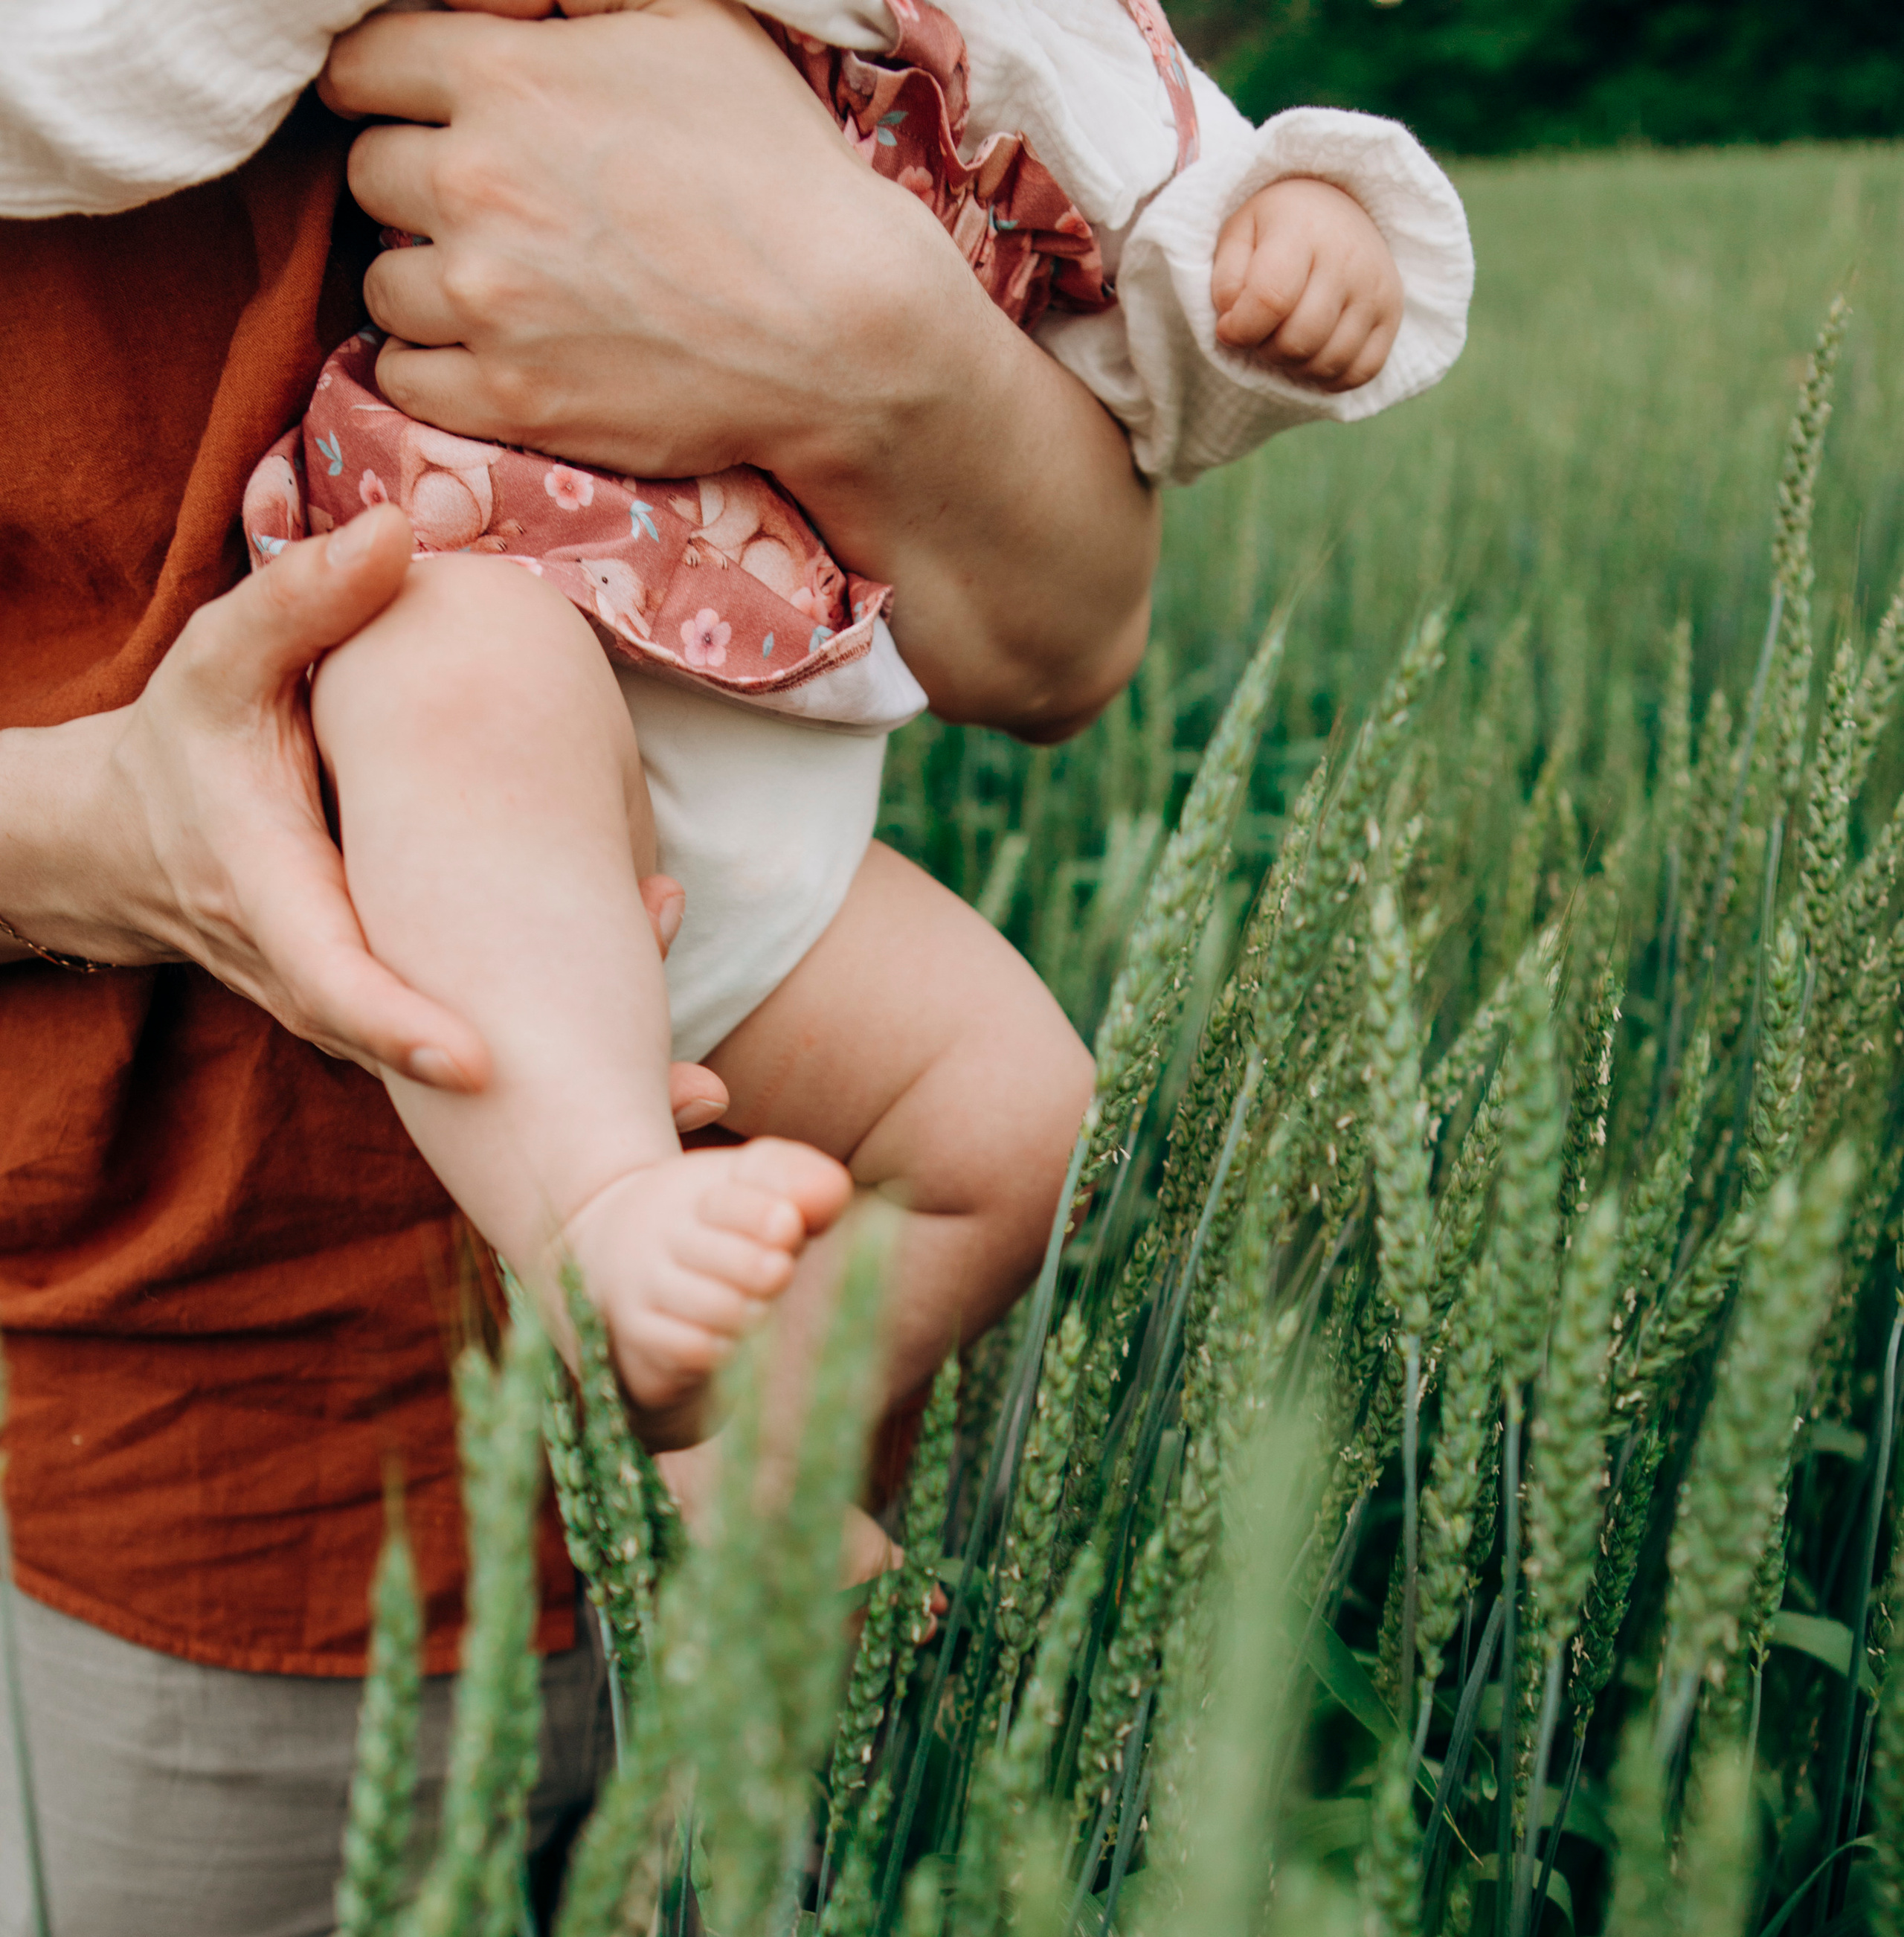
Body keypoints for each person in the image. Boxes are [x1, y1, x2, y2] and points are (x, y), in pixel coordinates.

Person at [0, 0, 1465, 1937]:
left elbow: (1087, 555)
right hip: (206, 1399)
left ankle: (761, 1471)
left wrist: (921, 323)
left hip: (731, 1001)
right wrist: (107, 834)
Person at [245, 0, 1472, 1536]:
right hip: (477, 638)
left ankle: (744, 1452)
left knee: (1025, 1125)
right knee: (455, 674)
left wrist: (1287, 221)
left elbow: (1154, 219)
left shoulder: (983, 25)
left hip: (761, 810)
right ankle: (600, 1217)